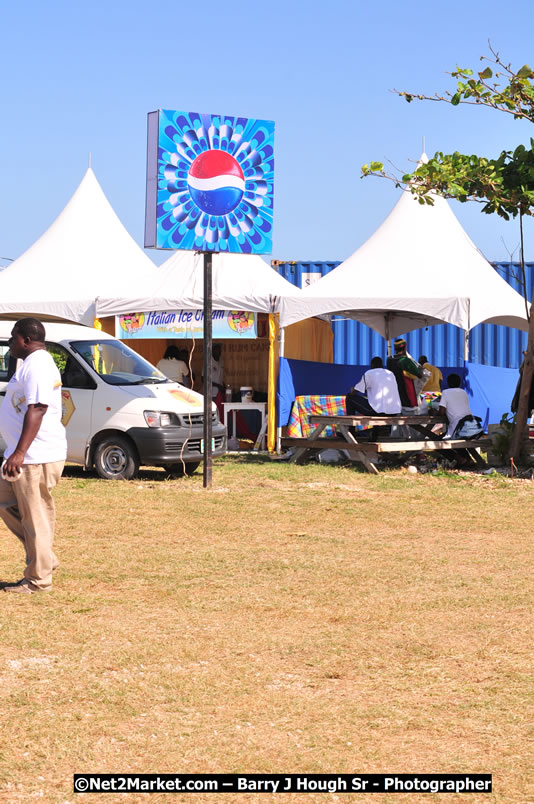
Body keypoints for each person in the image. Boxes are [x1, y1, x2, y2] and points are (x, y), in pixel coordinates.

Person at [0, 318, 67, 594]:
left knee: (35, 515)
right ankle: (44, 557)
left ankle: (38, 580)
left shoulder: (38, 365)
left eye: (13, 337)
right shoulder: (30, 363)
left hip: (34, 456)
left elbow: (37, 408)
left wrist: (20, 452)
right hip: (24, 455)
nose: (10, 342)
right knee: (5, 501)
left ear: (26, 340)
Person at [386, 338, 424, 412]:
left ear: (395, 349)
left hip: (393, 395)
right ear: (405, 348)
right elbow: (419, 374)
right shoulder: (405, 360)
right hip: (406, 395)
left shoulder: (389, 360)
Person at [438, 373, 475, 438]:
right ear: (459, 383)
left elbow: (441, 412)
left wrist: (433, 412)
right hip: (471, 426)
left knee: (439, 439)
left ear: (448, 383)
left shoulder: (445, 392)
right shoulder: (464, 392)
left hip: (457, 429)